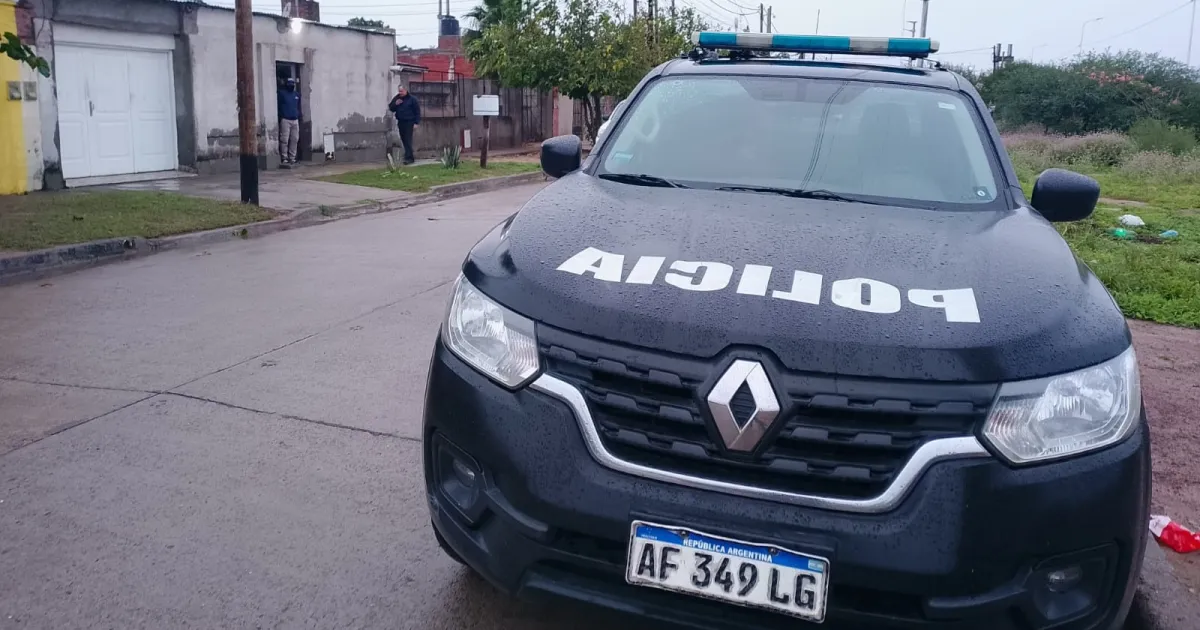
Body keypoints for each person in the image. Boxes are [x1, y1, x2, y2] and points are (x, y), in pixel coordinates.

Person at [388, 85, 421, 165]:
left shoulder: (412, 99)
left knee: (408, 139)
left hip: (409, 122)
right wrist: (396, 104)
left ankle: (409, 158)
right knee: (403, 139)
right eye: (399, 91)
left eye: (402, 91)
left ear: (406, 91)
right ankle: (408, 156)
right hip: (401, 122)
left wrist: (416, 122)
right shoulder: (397, 98)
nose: (400, 93)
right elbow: (391, 108)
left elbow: (417, 111)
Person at [277, 78, 301, 167]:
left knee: (295, 139)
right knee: (284, 139)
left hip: (295, 119)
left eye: (292, 84)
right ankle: (284, 157)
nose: (291, 85)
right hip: (285, 119)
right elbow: (279, 105)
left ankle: (292, 157)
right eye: (289, 84)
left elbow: (298, 106)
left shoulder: (297, 95)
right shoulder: (282, 94)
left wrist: (298, 114)